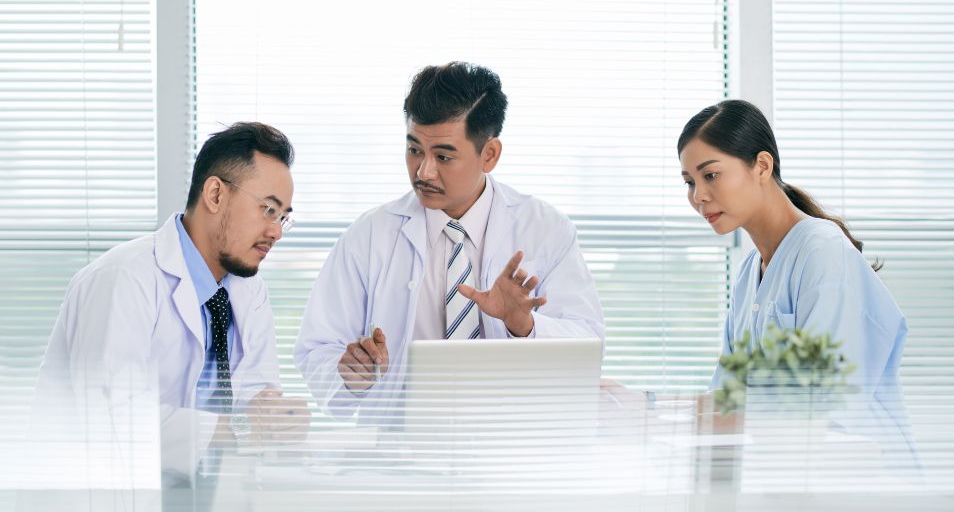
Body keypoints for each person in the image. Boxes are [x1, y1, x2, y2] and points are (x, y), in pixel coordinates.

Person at [295, 62, 604, 420]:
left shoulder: (546, 230)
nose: (424, 172)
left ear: (489, 154)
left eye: (443, 156)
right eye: (414, 150)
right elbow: (317, 348)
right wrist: (351, 374)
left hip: (512, 444)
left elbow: (588, 343)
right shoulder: (368, 236)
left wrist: (525, 326)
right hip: (398, 449)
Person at [34, 122, 309, 481]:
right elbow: (111, 421)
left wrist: (277, 421)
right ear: (214, 194)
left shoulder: (247, 289)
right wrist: (239, 428)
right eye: (268, 210)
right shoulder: (124, 278)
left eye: (284, 217)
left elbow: (255, 397)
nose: (276, 231)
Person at [676, 99, 908, 399]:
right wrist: (648, 404)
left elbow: (821, 403)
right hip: (778, 445)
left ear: (762, 166)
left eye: (710, 175)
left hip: (849, 445)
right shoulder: (750, 274)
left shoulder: (822, 254)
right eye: (689, 182)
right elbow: (726, 399)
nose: (699, 196)